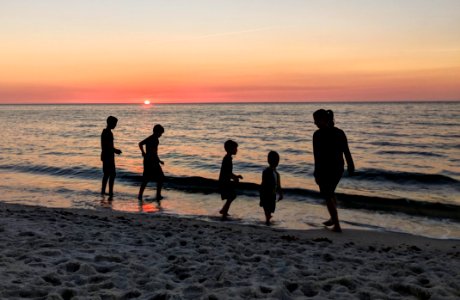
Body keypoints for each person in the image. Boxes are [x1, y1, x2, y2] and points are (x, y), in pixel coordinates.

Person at [313, 109, 355, 232]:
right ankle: (333, 218)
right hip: (338, 168)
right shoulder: (339, 132)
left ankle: (337, 225)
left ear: (324, 120)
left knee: (327, 194)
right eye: (314, 121)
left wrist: (317, 172)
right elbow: (346, 151)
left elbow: (317, 156)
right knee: (330, 192)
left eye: (316, 121)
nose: (315, 123)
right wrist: (351, 165)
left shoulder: (318, 135)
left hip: (328, 169)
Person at [138, 124, 165, 201]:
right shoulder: (152, 138)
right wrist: (143, 152)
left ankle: (142, 195)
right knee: (157, 177)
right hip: (150, 161)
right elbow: (140, 144)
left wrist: (159, 160)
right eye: (160, 133)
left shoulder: (154, 139)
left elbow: (154, 152)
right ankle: (157, 195)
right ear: (156, 131)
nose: (161, 135)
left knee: (152, 178)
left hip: (151, 160)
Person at [218, 140, 243, 220]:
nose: (236, 150)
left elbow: (228, 172)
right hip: (224, 181)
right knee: (232, 195)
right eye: (235, 148)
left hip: (224, 180)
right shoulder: (227, 159)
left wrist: (236, 177)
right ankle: (224, 211)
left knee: (231, 196)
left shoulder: (228, 158)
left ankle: (224, 210)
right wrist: (235, 178)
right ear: (231, 149)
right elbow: (228, 173)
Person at [100, 116, 122, 199]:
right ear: (110, 123)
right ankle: (110, 192)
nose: (115, 125)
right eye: (115, 123)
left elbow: (107, 145)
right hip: (108, 156)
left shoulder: (105, 132)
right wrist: (116, 150)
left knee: (107, 174)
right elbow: (109, 146)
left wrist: (114, 150)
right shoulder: (108, 133)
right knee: (112, 174)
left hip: (106, 155)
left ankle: (104, 191)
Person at [260, 151, 283, 225]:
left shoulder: (269, 172)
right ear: (277, 162)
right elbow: (278, 185)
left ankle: (268, 217)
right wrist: (280, 193)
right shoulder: (273, 173)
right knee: (268, 206)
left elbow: (277, 185)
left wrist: (280, 193)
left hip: (268, 192)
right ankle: (267, 219)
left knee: (268, 206)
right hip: (269, 192)